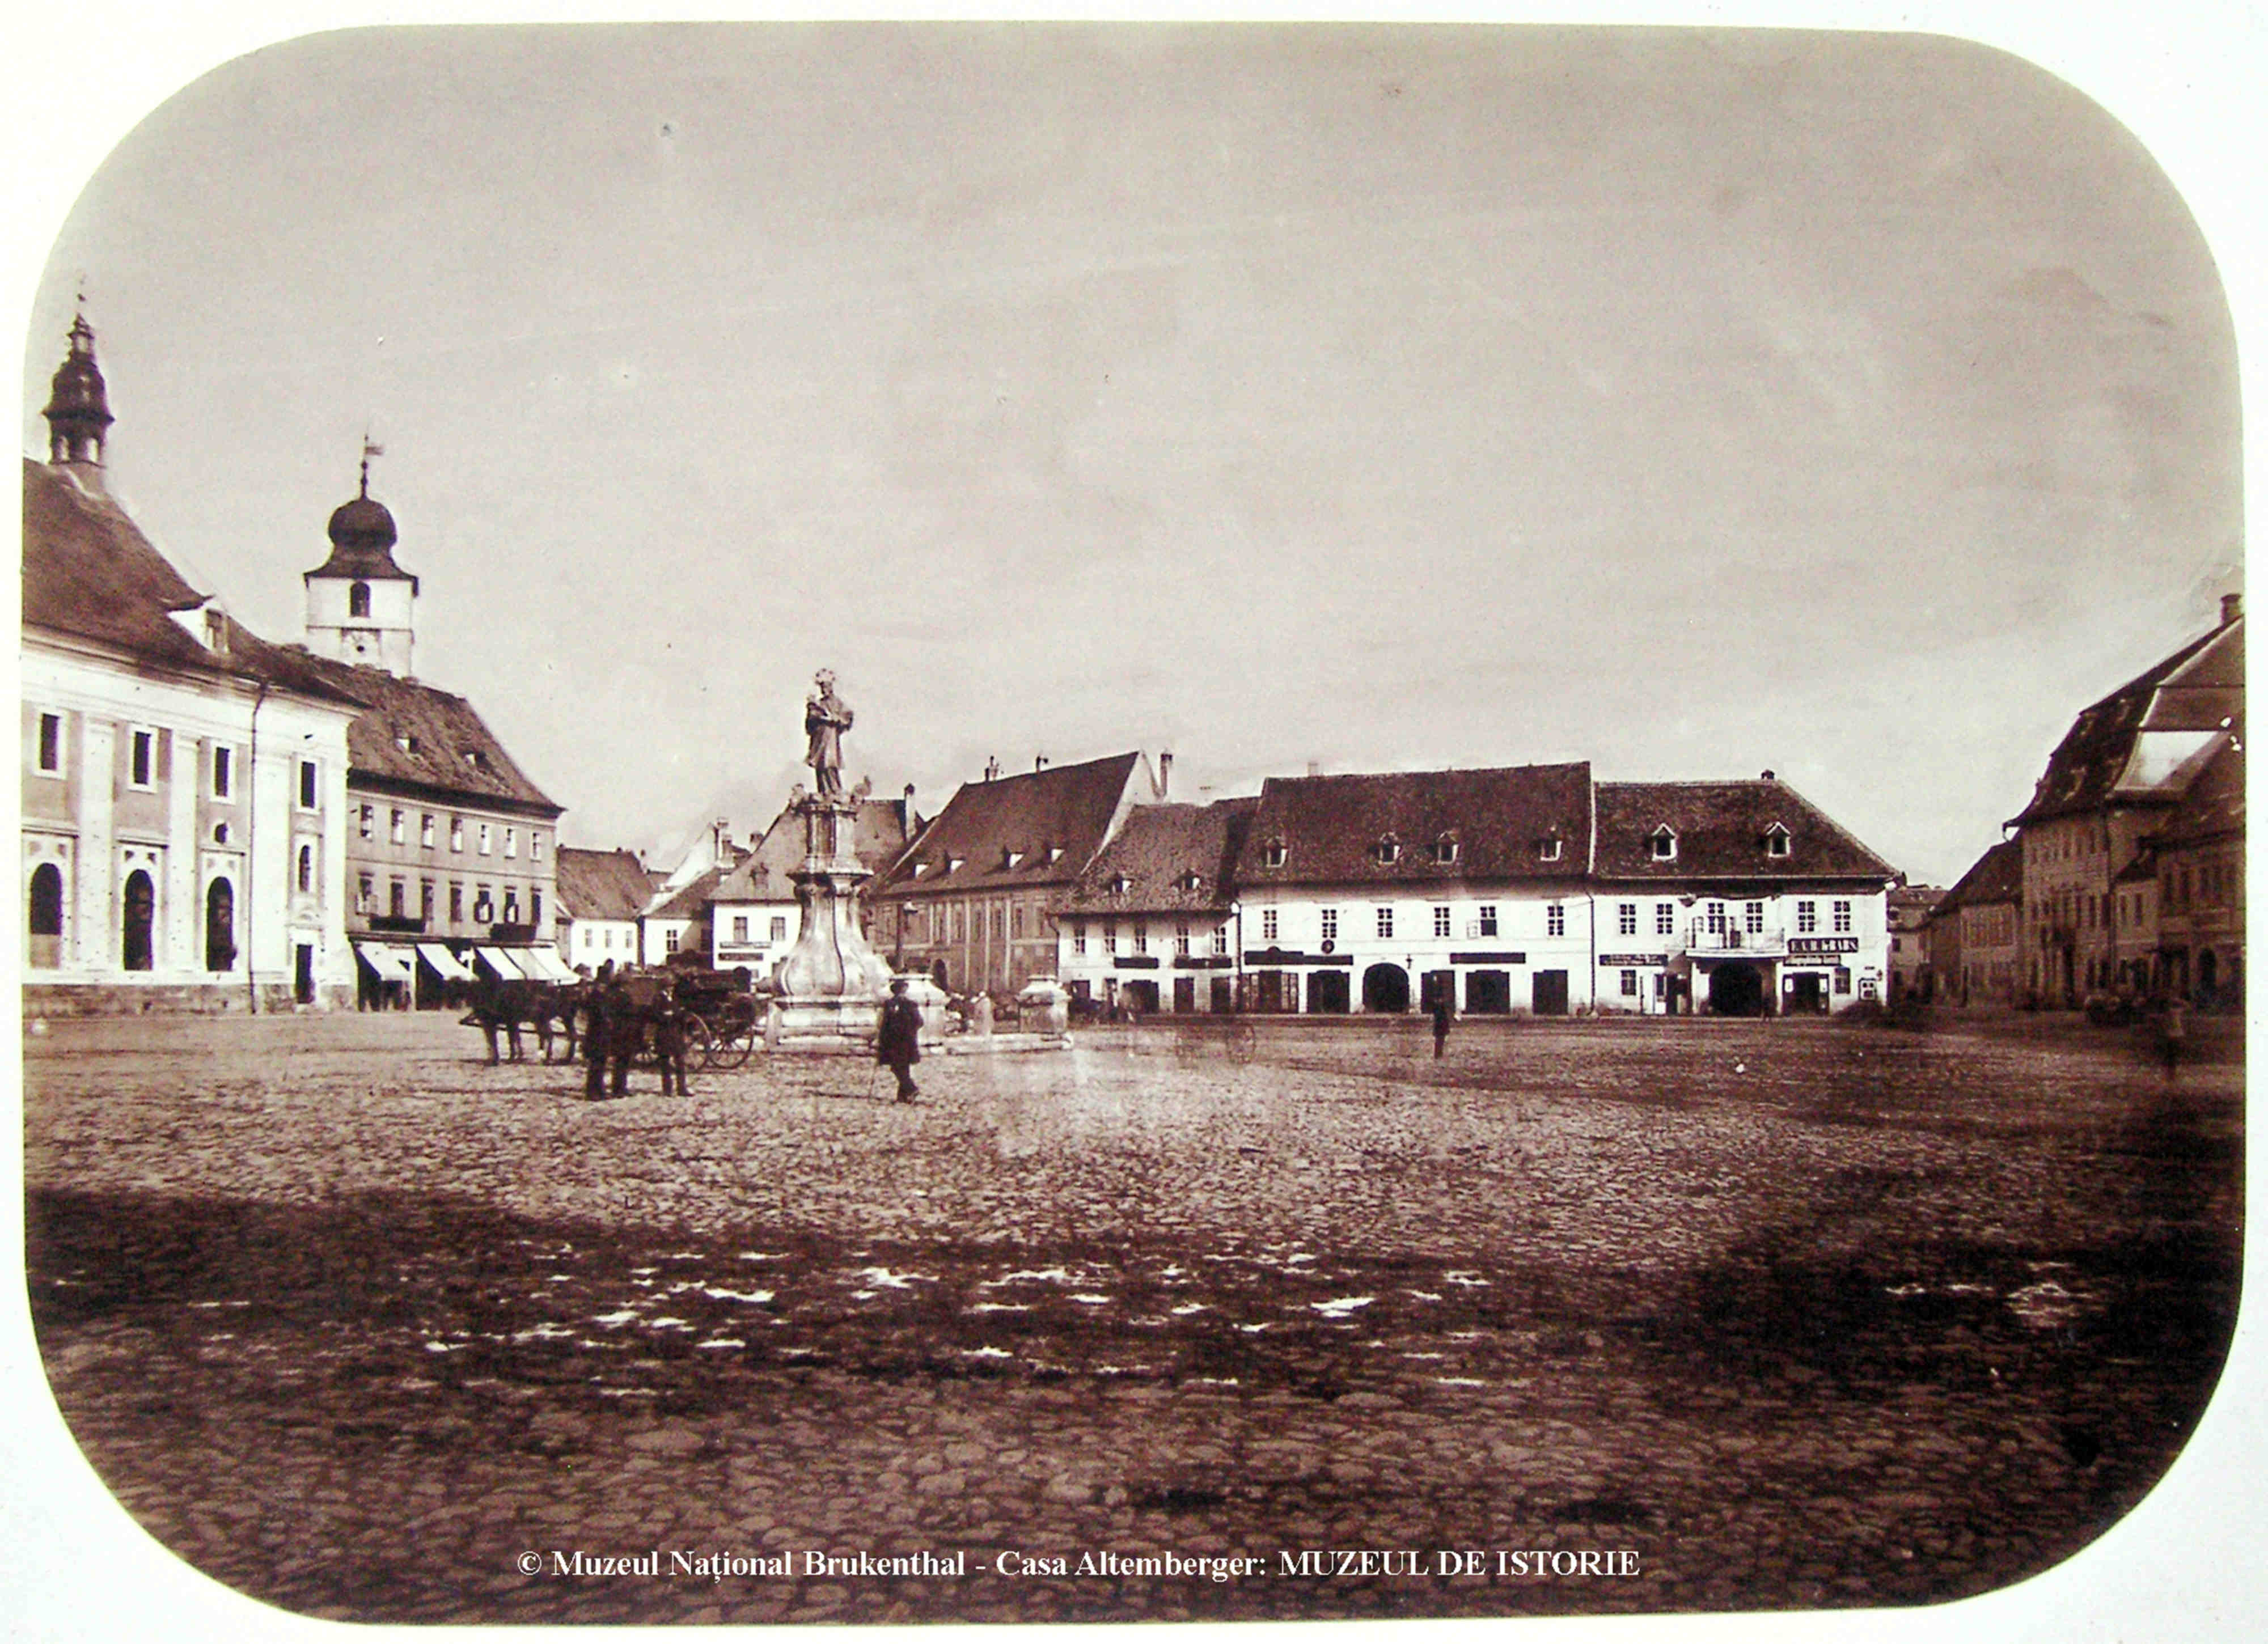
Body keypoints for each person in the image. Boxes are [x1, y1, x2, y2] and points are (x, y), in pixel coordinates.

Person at [877, 977, 924, 1102]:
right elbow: (919, 1022)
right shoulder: (892, 1004)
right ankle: (905, 1093)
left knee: (900, 1067)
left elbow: (919, 1022)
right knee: (900, 1067)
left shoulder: (907, 1004)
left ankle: (909, 1090)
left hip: (900, 1041)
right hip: (898, 1041)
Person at [1431, 991, 1454, 1059]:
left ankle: (1438, 1054)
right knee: (1440, 1041)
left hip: (1440, 1028)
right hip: (1440, 1027)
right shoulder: (1441, 1009)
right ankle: (1438, 1054)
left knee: (1439, 1042)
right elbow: (1443, 1019)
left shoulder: (1438, 1009)